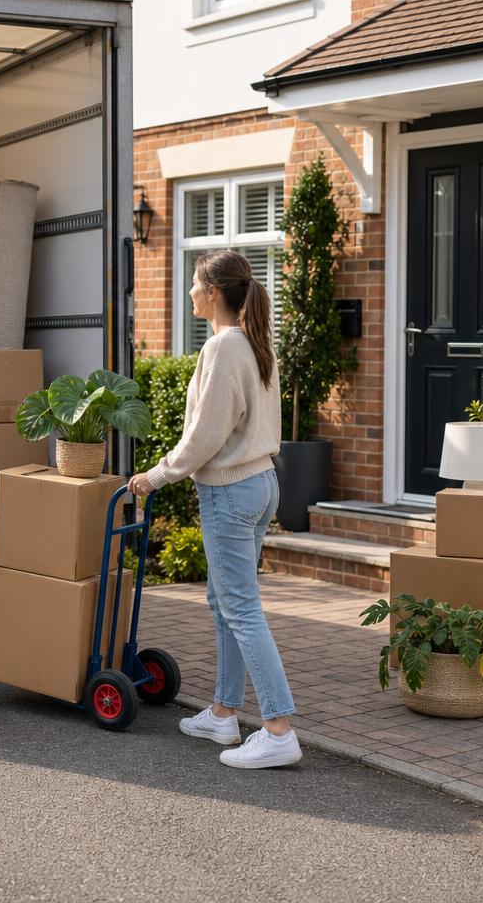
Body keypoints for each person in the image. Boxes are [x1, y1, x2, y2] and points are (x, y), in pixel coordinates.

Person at [128, 249, 300, 769]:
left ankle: (278, 730)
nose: (189, 293)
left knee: (241, 609)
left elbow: (206, 435)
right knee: (225, 602)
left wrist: (156, 474)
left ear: (213, 293)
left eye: (195, 284)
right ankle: (224, 714)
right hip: (261, 483)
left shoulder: (224, 347)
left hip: (232, 490)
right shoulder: (250, 341)